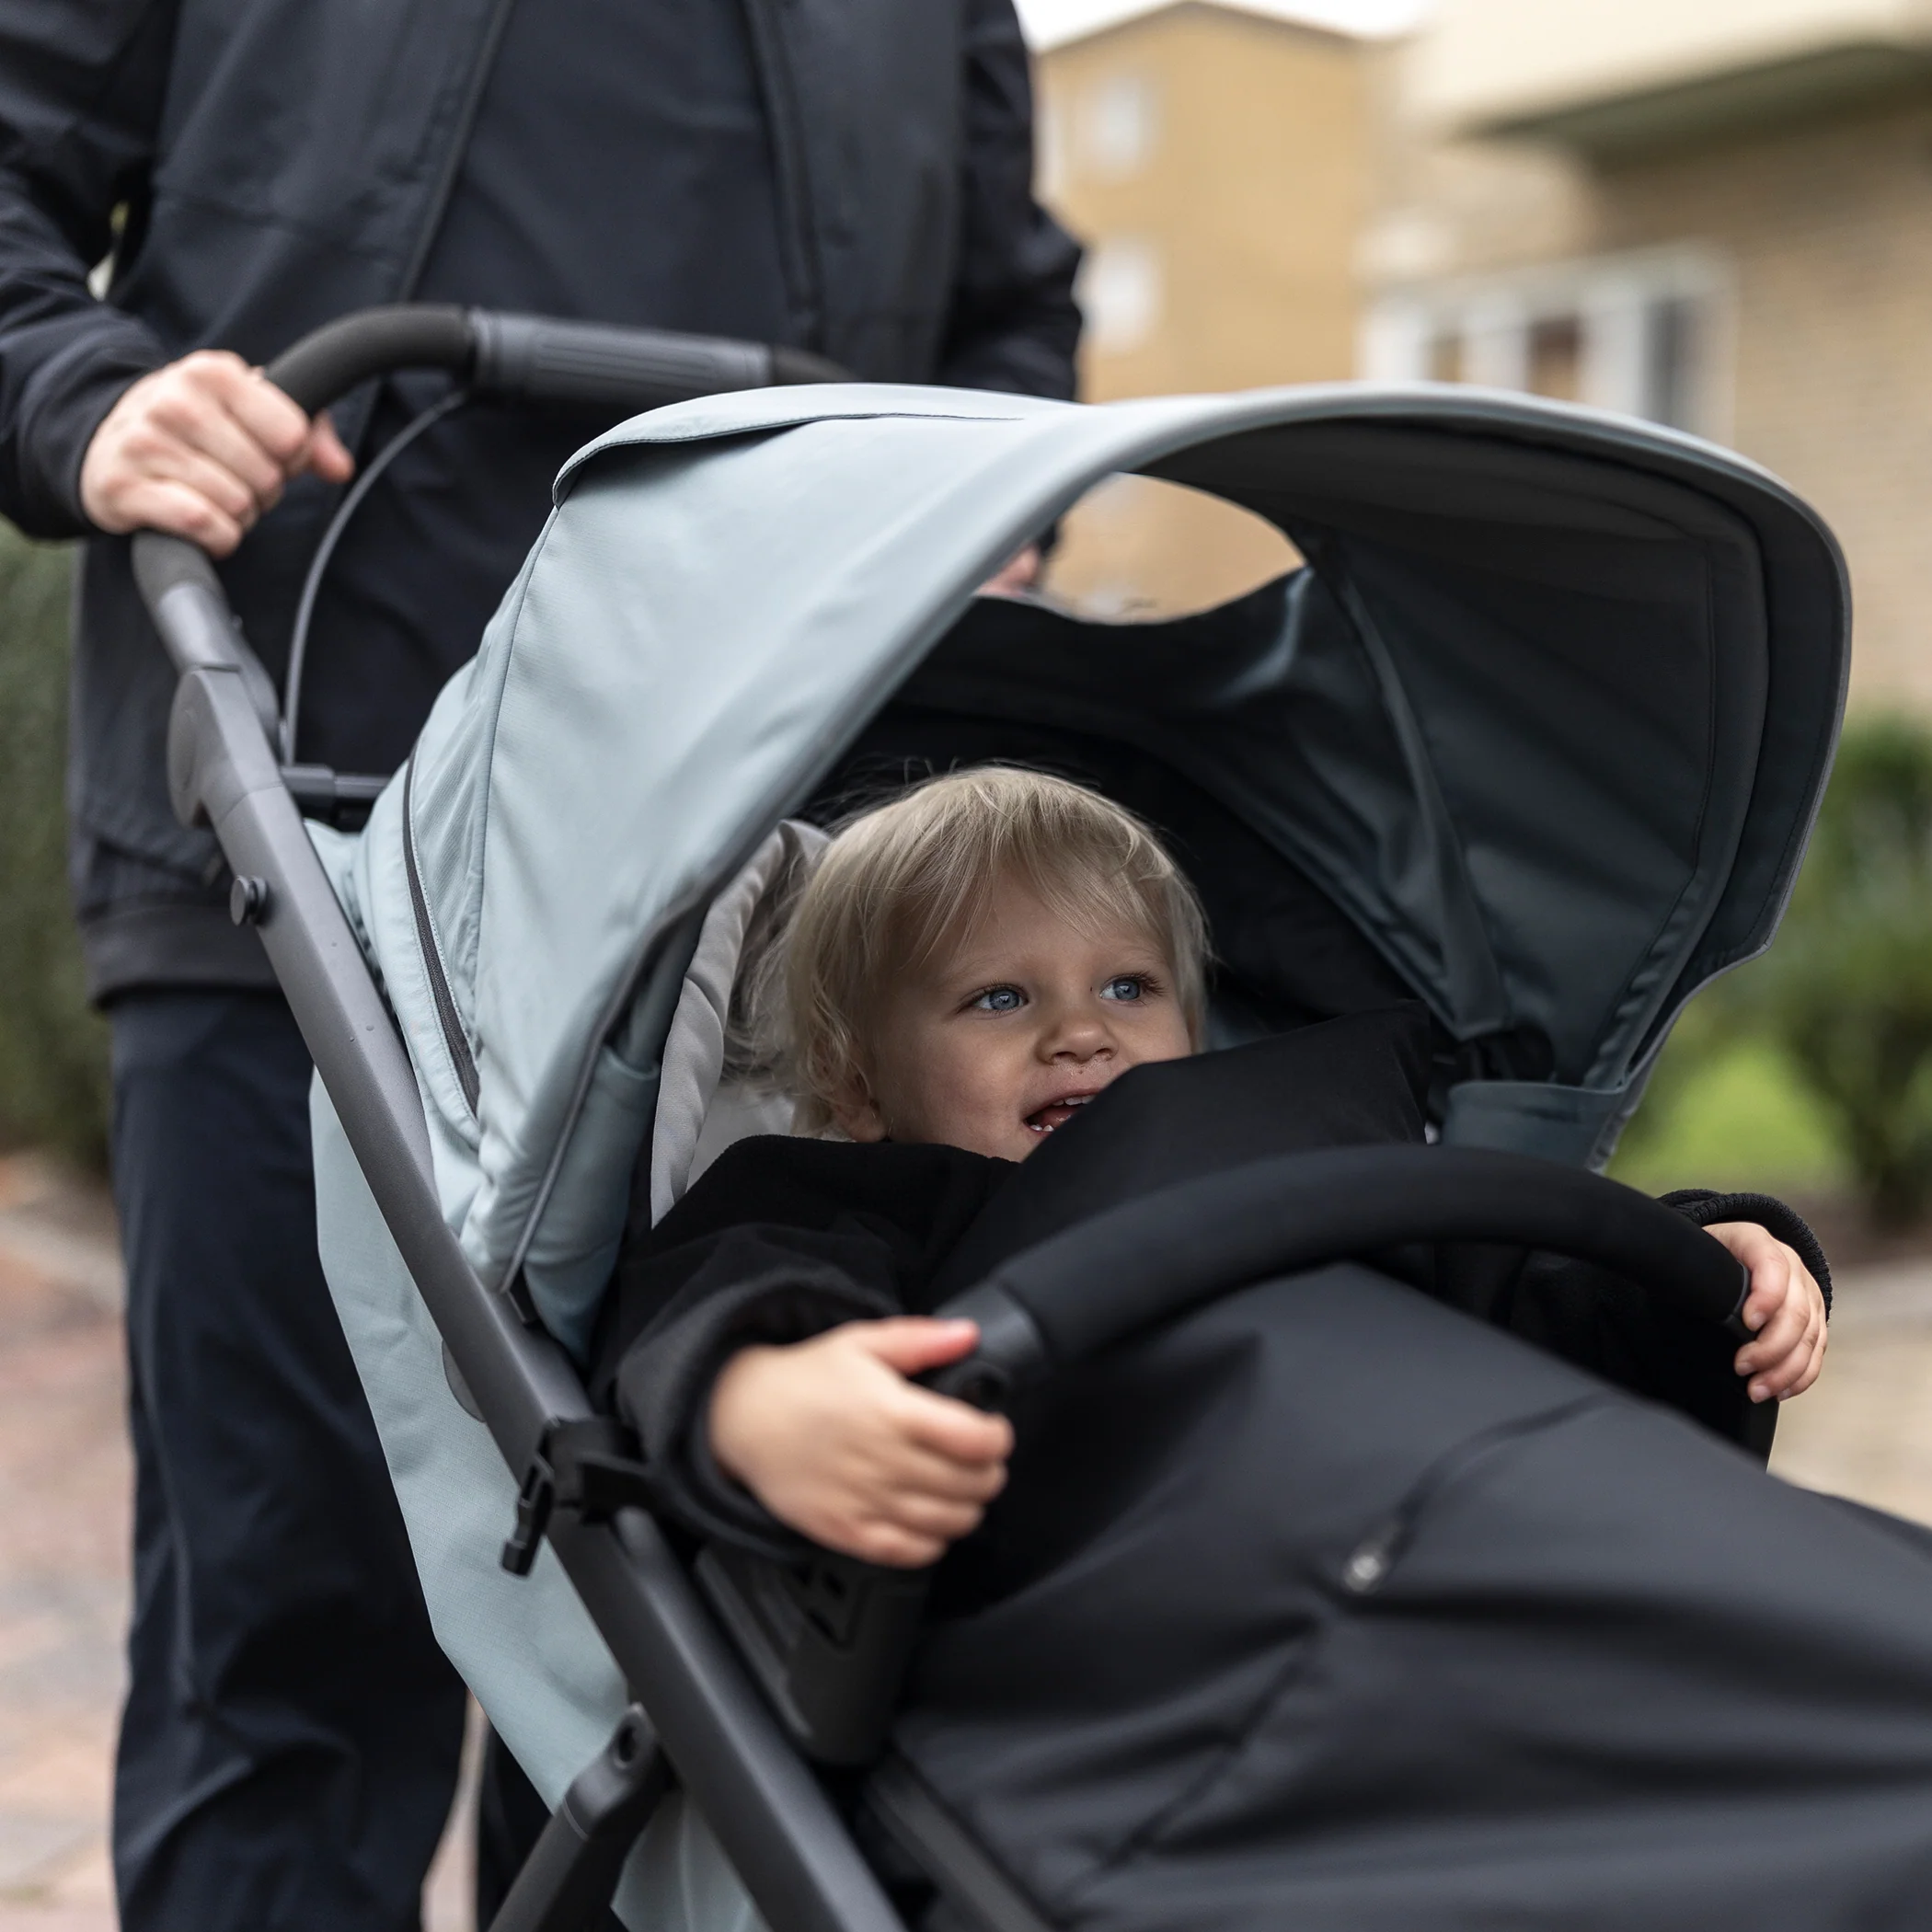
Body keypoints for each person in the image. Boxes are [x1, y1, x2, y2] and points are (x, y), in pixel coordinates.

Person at [0, 6, 1081, 1926]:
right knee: (289, 1645)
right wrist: (84, 391)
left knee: (701, 1681)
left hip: (765, 903)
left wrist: (996, 497)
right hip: (305, 841)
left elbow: (1006, 303)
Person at [593, 768, 1831, 1570]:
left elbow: (1524, 1293)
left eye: (1128, 987)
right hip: (1162, 1572)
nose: (1079, 1032)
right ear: (859, 1085)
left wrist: (1707, 1261)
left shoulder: (1306, 1152)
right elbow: (709, 1296)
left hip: (1456, 1511)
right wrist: (757, 1400)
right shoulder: (862, 1202)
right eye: (1000, 998)